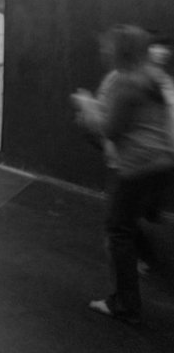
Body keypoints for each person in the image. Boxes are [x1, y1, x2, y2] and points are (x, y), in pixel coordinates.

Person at [71, 24, 174, 324]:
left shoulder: (127, 83)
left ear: (121, 50)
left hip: (136, 167)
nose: (104, 51)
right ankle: (152, 265)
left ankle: (125, 303)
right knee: (132, 224)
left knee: (117, 232)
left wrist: (87, 105)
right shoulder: (151, 77)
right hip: (159, 163)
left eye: (109, 47)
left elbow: (110, 130)